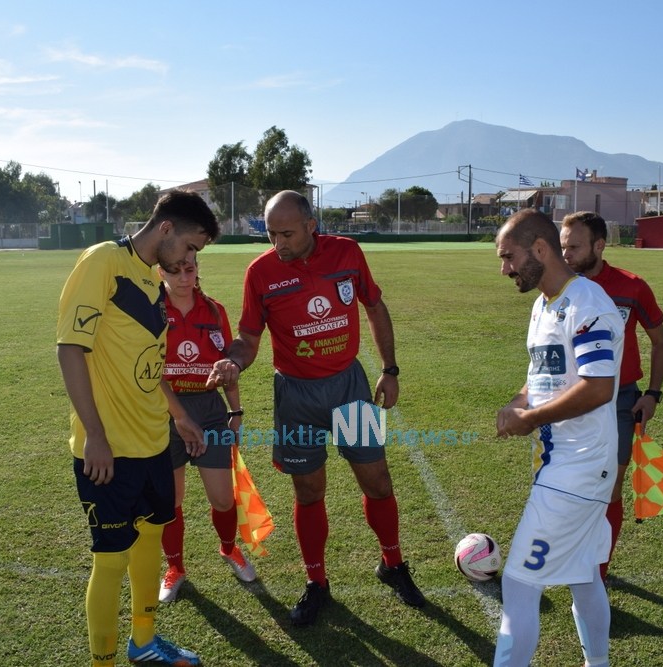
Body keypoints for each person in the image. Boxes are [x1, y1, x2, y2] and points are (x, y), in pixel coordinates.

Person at [205, 190, 425, 627]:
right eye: (271, 234)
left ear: (311, 225)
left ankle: (392, 563)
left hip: (349, 387)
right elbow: (248, 339)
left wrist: (390, 369)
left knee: (377, 480)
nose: (278, 243)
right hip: (297, 397)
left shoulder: (346, 253)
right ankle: (317, 583)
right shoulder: (261, 273)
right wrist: (233, 359)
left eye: (286, 233)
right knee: (308, 491)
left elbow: (374, 306)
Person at [57, 190, 219, 667]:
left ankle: (144, 643)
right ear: (166, 228)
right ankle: (102, 662)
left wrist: (180, 416)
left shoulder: (151, 281)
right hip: (110, 450)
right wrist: (96, 436)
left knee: (151, 540)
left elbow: (154, 365)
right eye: (190, 247)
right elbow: (70, 349)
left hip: (153, 442)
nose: (190, 259)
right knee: (109, 559)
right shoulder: (103, 262)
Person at [493, 209, 624, 667]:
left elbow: (598, 386)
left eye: (509, 256)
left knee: (518, 583)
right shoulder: (543, 304)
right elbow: (542, 377)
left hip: (580, 467)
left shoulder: (588, 303)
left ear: (540, 250)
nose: (504, 267)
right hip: (561, 464)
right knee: (584, 576)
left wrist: (530, 420)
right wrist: (517, 402)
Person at [560, 211, 663, 582]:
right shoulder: (561, 287)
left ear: (599, 245)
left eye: (574, 247)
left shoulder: (632, 286)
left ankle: (598, 571)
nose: (566, 255)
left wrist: (653, 393)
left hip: (621, 400)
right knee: (569, 483)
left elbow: (659, 341)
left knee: (610, 485)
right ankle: (570, 553)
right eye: (562, 247)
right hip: (571, 399)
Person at [157, 255, 257, 605]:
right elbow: (145, 370)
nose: (183, 277)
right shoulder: (151, 310)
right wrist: (177, 415)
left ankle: (229, 549)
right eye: (174, 269)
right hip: (164, 413)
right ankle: (175, 568)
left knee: (223, 498)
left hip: (210, 412)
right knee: (171, 501)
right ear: (160, 270)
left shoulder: (214, 311)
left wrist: (236, 410)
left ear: (197, 269)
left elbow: (226, 365)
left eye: (189, 269)